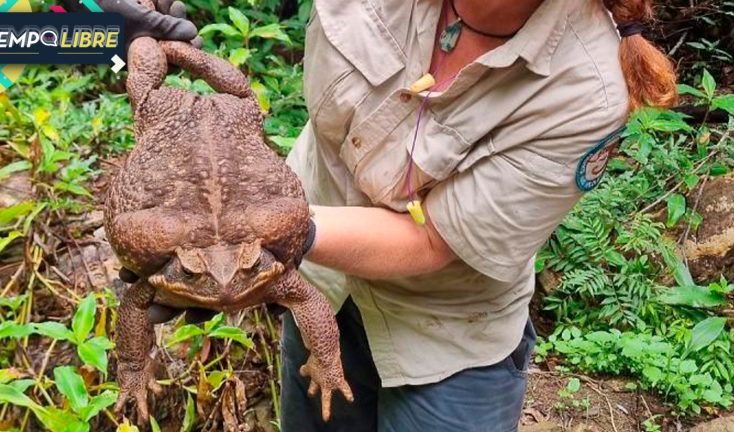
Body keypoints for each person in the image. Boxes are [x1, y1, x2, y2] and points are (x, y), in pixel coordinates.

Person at [106, 0, 677, 430]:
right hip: (318, 286)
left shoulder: (588, 87)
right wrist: (108, 23)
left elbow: (434, 241)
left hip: (444, 334)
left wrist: (265, 240)